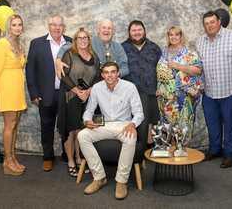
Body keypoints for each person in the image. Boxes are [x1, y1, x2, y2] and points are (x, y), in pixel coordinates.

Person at [77, 62, 144, 200]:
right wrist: (86, 121)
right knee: (82, 135)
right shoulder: (96, 88)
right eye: (106, 72)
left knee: (131, 137)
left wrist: (132, 124)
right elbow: (89, 110)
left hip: (123, 124)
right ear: (102, 75)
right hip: (104, 124)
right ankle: (99, 177)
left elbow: (139, 113)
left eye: (113, 72)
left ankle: (121, 181)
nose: (110, 75)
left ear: (118, 73)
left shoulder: (129, 87)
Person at [197, 11, 232, 168]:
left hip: (231, 91)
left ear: (219, 21)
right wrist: (200, 85)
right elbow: (200, 66)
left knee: (230, 124)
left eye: (212, 22)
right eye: (206, 23)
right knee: (212, 124)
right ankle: (215, 150)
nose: (210, 25)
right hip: (209, 92)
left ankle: (229, 154)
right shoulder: (200, 41)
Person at [26, 15, 72, 172]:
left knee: (67, 125)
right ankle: (47, 157)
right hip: (46, 94)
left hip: (67, 93)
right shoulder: (37, 44)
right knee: (47, 126)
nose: (57, 28)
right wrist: (33, 93)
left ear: (64, 27)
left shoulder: (71, 42)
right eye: (53, 25)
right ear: (48, 26)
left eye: (60, 25)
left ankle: (68, 154)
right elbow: (30, 70)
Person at [57, 28, 100, 177]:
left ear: (89, 40)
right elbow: (63, 76)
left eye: (85, 38)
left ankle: (79, 158)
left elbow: (97, 77)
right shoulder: (69, 54)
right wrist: (77, 91)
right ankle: (70, 161)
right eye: (79, 38)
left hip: (87, 99)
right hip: (70, 97)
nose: (83, 40)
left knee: (81, 130)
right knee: (70, 130)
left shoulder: (94, 56)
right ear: (75, 40)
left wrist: (88, 92)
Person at [0, 14, 27, 176]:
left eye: (19, 25)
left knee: (15, 124)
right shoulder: (2, 44)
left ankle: (13, 157)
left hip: (17, 88)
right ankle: (7, 161)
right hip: (7, 89)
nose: (17, 28)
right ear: (8, 27)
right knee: (9, 125)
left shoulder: (19, 43)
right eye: (14, 25)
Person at [156, 26, 203, 144]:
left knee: (183, 125)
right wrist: (159, 88)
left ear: (181, 36)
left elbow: (198, 70)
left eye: (177, 34)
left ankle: (181, 152)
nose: (174, 37)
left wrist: (178, 66)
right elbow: (160, 72)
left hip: (183, 96)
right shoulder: (164, 52)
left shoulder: (188, 53)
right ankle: (170, 152)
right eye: (171, 34)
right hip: (165, 97)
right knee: (167, 125)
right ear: (168, 36)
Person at [122, 20, 161, 148]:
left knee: (151, 123)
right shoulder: (122, 48)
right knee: (135, 123)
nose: (137, 33)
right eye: (134, 30)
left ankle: (148, 151)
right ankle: (136, 152)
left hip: (151, 92)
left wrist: (160, 87)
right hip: (130, 93)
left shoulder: (154, 48)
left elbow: (161, 69)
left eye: (139, 30)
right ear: (129, 33)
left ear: (144, 31)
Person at [55, 19, 129, 78]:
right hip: (93, 86)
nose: (106, 30)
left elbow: (125, 68)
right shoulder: (89, 42)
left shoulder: (118, 47)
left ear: (113, 32)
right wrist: (58, 59)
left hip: (113, 85)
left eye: (109, 28)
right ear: (98, 30)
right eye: (104, 28)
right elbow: (68, 45)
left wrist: (115, 75)